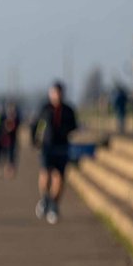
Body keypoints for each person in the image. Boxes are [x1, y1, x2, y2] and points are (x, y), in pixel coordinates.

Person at [31, 81, 78, 224]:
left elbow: (74, 127)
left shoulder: (69, 110)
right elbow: (36, 125)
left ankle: (53, 205)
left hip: (62, 147)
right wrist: (35, 140)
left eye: (59, 92)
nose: (57, 95)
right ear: (50, 93)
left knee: (59, 178)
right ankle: (45, 199)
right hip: (47, 146)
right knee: (45, 173)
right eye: (54, 92)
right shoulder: (45, 109)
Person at [0, 101, 22, 179]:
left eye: (13, 110)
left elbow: (15, 128)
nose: (11, 111)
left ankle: (10, 171)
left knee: (11, 157)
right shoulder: (2, 118)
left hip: (12, 142)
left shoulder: (17, 119)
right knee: (1, 155)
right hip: (1, 141)